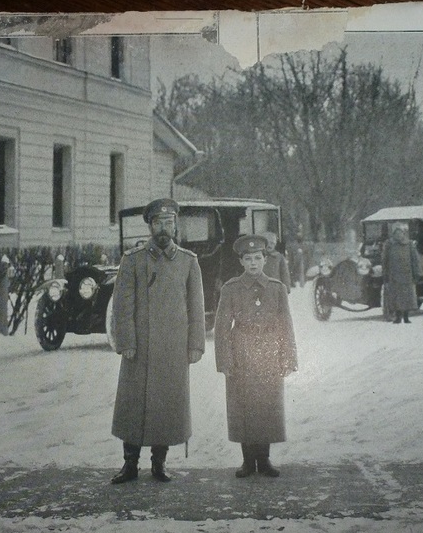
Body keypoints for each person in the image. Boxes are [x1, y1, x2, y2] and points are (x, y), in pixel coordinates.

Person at [109, 198, 206, 484]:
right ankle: (129, 465)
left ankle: (159, 464)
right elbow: (122, 306)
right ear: (150, 226)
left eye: (168, 223)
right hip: (139, 348)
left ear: (176, 225)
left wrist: (195, 344)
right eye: (158, 223)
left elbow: (196, 306)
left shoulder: (188, 262)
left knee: (166, 405)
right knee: (133, 405)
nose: (163, 228)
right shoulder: (133, 260)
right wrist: (126, 340)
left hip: (172, 348)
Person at [214, 234, 298, 478]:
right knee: (244, 406)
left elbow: (286, 325)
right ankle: (248, 461)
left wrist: (288, 358)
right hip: (242, 353)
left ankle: (265, 459)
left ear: (265, 259)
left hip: (270, 352)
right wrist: (225, 361)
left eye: (257, 258)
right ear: (241, 262)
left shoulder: (277, 288)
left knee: (267, 406)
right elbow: (221, 329)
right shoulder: (231, 289)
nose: (253, 263)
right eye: (248, 259)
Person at [381, 223, 420, 324]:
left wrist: (416, 274)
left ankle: (406, 317)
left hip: (407, 275)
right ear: (393, 234)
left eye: (401, 233)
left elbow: (414, 260)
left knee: (407, 297)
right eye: (396, 233)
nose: (399, 235)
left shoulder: (410, 244)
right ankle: (398, 317)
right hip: (394, 275)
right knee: (396, 297)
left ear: (404, 234)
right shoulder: (389, 245)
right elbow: (385, 260)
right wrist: (385, 275)